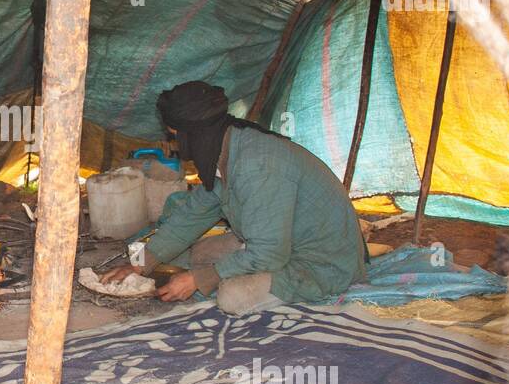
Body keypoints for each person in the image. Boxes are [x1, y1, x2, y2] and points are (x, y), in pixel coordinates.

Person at [102, 81, 366, 314]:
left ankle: (294, 287)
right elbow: (191, 215)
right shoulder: (224, 146)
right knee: (201, 252)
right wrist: (139, 263)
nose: (174, 144)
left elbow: (269, 253)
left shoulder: (257, 165)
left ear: (193, 133)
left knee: (232, 296)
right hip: (282, 243)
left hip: (322, 262)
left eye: (175, 136)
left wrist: (198, 279)